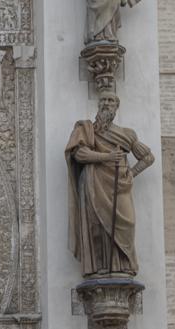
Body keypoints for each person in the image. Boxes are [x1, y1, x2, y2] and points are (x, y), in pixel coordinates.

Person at [64, 91, 154, 278]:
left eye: (111, 100)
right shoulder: (86, 129)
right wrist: (107, 157)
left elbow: (148, 157)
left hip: (119, 187)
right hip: (93, 186)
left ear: (116, 106)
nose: (106, 103)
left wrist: (130, 173)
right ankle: (101, 266)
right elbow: (79, 154)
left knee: (125, 224)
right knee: (97, 226)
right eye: (103, 100)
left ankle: (124, 265)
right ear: (98, 105)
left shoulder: (126, 135)